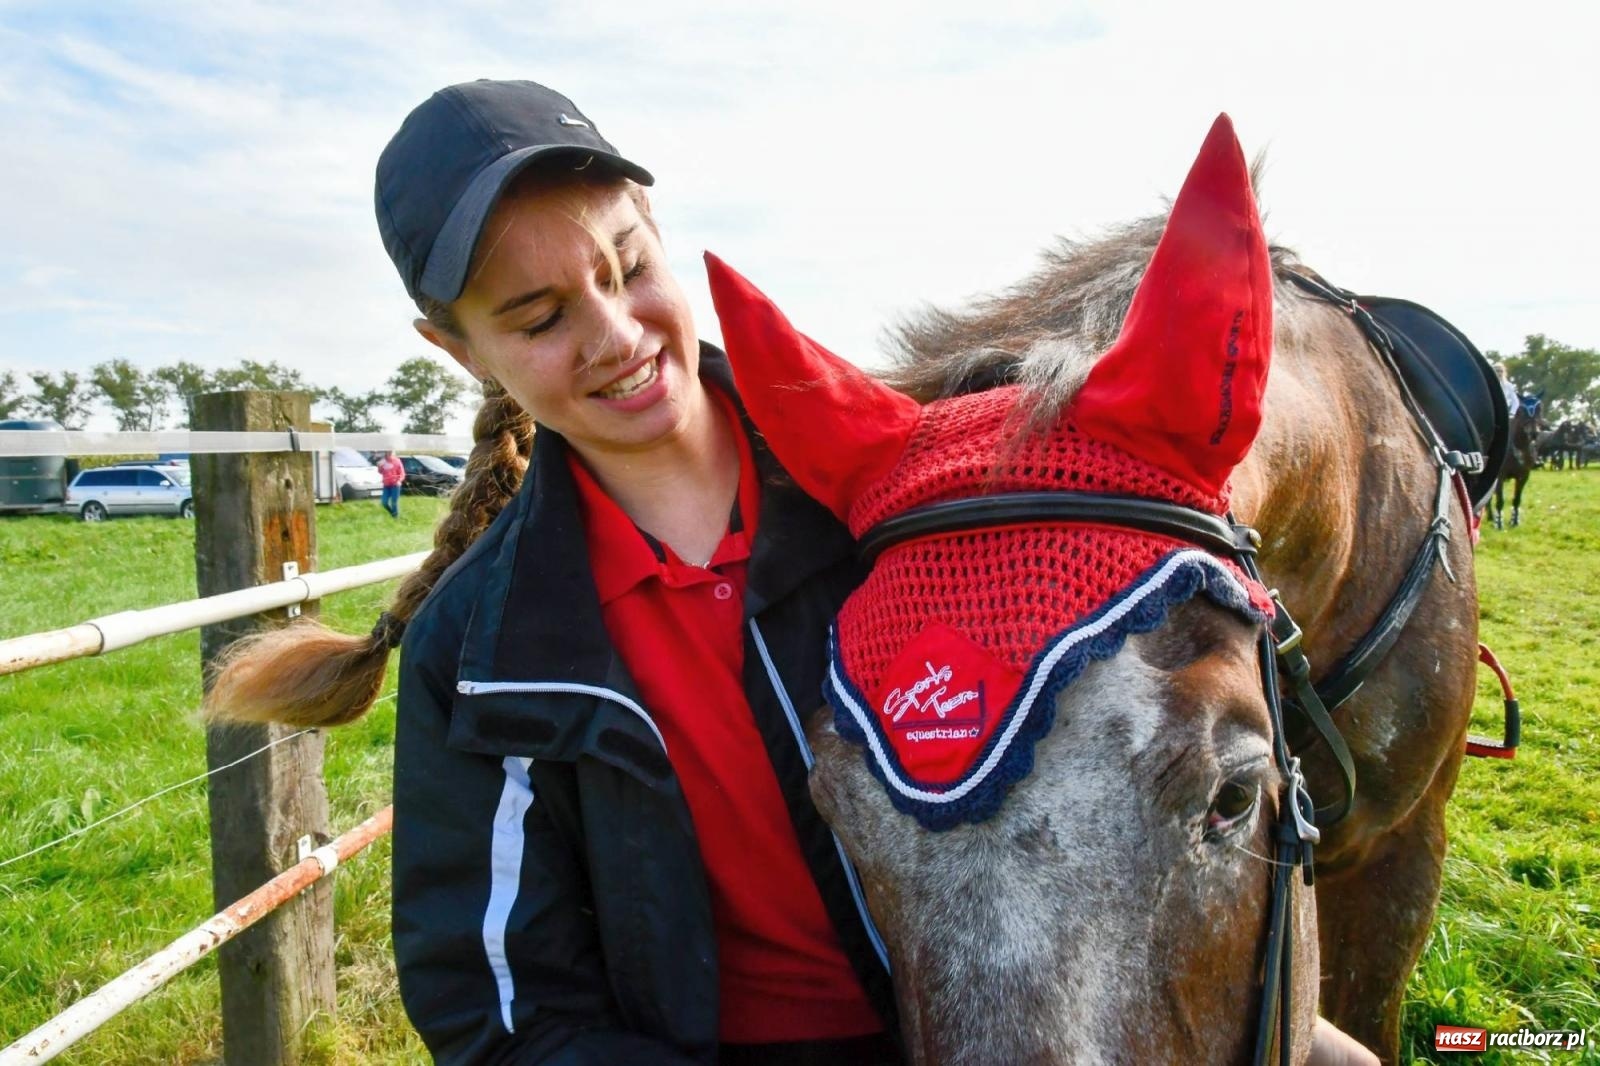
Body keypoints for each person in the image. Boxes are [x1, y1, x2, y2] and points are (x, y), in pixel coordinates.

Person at [204, 79, 1377, 1066]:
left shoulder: (890, 510)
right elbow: (501, 1010)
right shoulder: (487, 650)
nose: (615, 334)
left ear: (657, 230)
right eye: (539, 314)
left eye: (627, 266)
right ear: (455, 349)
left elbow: (1095, 782)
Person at [377, 450, 405, 517]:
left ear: (393, 453)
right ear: (385, 452)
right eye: (388, 452)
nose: (389, 453)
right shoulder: (383, 461)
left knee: (394, 503)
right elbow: (380, 472)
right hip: (386, 485)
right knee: (384, 502)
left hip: (395, 485)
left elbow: (402, 473)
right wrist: (379, 467)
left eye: (391, 452)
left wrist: (399, 481)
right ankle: (393, 514)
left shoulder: (397, 461)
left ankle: (395, 518)